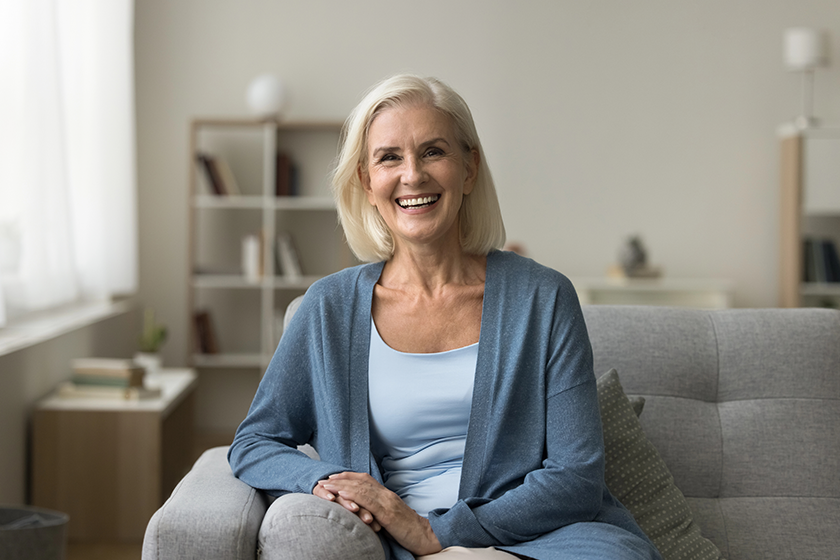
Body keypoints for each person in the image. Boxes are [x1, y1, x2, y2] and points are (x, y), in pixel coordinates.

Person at [228, 74, 661, 560]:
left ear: (469, 169)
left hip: (538, 539)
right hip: (390, 543)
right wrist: (324, 480)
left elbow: (576, 477)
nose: (413, 175)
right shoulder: (328, 307)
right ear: (367, 183)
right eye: (389, 157)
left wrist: (435, 533)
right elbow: (255, 441)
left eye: (433, 151)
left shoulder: (544, 297)